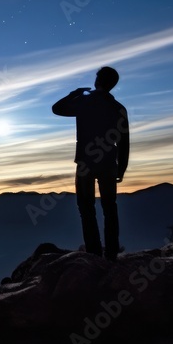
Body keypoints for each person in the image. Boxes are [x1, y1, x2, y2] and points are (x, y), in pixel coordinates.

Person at [52, 66, 129, 260]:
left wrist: (74, 94)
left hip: (86, 162)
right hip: (109, 163)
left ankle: (94, 252)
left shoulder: (85, 102)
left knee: (86, 208)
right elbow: (124, 141)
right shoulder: (118, 108)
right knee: (110, 208)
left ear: (98, 80)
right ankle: (111, 252)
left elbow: (57, 109)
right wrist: (122, 167)